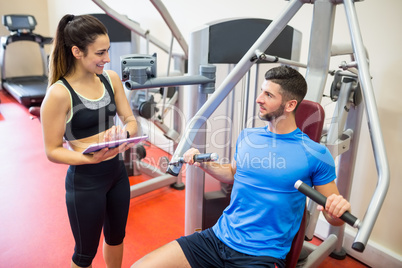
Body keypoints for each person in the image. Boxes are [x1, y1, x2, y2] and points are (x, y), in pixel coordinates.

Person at [131, 65, 351, 268]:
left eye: (268, 95)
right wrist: (204, 163)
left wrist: (338, 211)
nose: (258, 99)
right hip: (217, 238)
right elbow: (233, 174)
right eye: (261, 91)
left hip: (262, 255)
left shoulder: (315, 154)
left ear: (290, 105)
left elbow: (335, 218)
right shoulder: (248, 136)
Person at [40, 14, 137, 268]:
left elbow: (130, 120)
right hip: (86, 183)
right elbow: (52, 150)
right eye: (101, 53)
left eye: (108, 51)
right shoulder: (59, 94)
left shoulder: (111, 79)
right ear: (77, 52)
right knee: (84, 254)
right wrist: (87, 157)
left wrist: (123, 134)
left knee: (116, 237)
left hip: (117, 174)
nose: (107, 59)